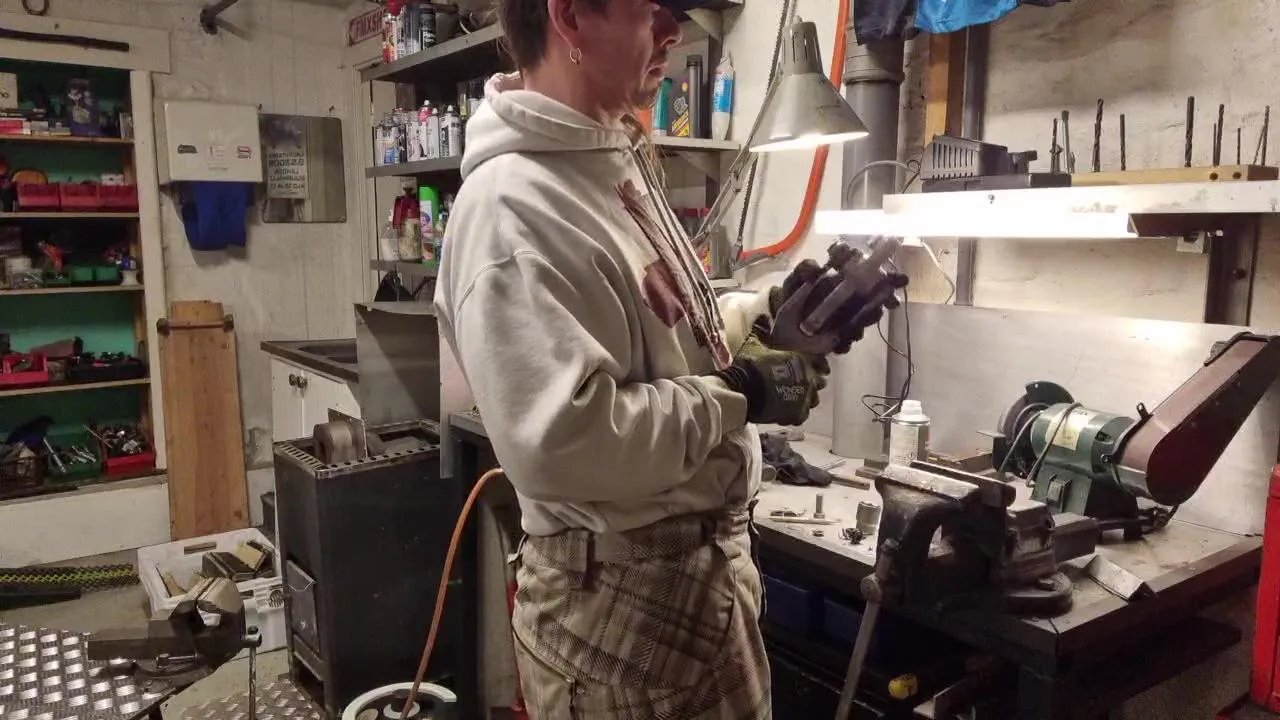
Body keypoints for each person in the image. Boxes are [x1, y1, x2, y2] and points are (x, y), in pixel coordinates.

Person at [433, 0, 901, 716]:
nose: (673, 33)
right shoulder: (511, 207)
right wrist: (742, 388)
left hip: (701, 577)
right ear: (569, 17)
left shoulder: (609, 159)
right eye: (652, 10)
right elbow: (565, 443)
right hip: (618, 609)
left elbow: (665, 330)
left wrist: (769, 320)